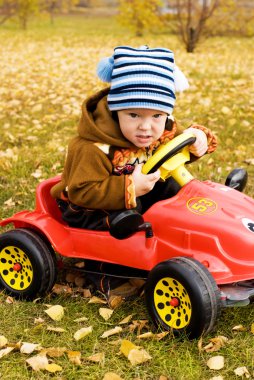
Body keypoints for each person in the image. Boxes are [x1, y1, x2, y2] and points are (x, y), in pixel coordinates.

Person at [51, 45, 217, 231]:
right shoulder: (94, 147)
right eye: (134, 115)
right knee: (131, 209)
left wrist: (197, 139)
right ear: (116, 112)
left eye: (156, 116)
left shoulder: (164, 128)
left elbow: (177, 148)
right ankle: (126, 250)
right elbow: (81, 192)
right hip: (89, 208)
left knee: (172, 185)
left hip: (138, 189)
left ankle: (184, 225)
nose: (146, 127)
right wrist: (130, 188)